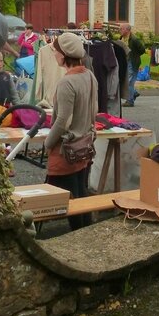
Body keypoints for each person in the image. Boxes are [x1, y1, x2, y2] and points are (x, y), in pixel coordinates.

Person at [44, 32, 98, 231]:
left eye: (55, 51)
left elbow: (62, 121)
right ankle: (86, 233)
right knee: (80, 192)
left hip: (67, 149)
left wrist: (48, 143)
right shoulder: (89, 75)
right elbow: (94, 110)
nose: (54, 55)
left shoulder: (67, 82)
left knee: (69, 198)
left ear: (63, 54)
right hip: (83, 146)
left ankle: (78, 237)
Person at [120, 23, 145, 107]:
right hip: (125, 62)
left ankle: (130, 101)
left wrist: (135, 56)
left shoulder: (134, 39)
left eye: (122, 29)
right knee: (126, 81)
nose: (120, 30)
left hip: (132, 62)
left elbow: (142, 49)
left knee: (129, 82)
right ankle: (134, 93)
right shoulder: (121, 38)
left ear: (127, 30)